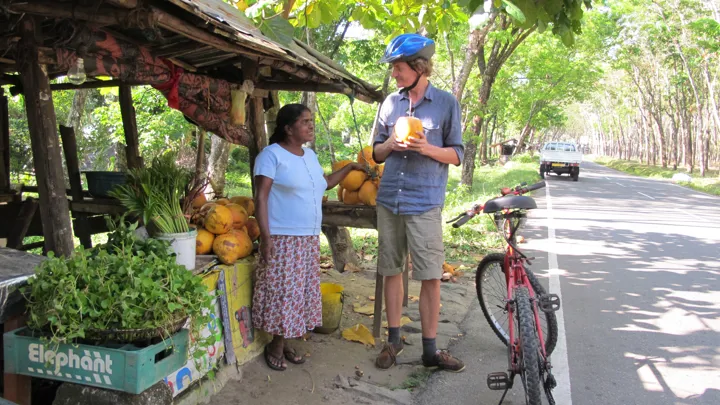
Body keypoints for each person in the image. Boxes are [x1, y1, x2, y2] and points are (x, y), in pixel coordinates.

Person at [372, 34, 465, 372]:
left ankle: (430, 350)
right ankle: (393, 339)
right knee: (390, 269)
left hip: (425, 201)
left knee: (429, 276)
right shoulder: (389, 104)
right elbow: (376, 151)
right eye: (394, 68)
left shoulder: (446, 103)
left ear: (419, 67)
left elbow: (457, 154)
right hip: (390, 200)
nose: (394, 73)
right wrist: (391, 147)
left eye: (398, 67)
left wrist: (426, 148)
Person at [253, 103, 364, 371]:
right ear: (288, 128)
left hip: (307, 237)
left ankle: (287, 338)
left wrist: (349, 167)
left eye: (311, 120)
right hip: (283, 236)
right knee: (282, 293)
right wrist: (266, 238)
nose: (311, 125)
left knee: (299, 292)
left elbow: (324, 183)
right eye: (305, 121)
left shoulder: (309, 156)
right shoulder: (271, 156)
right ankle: (276, 344)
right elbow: (260, 196)